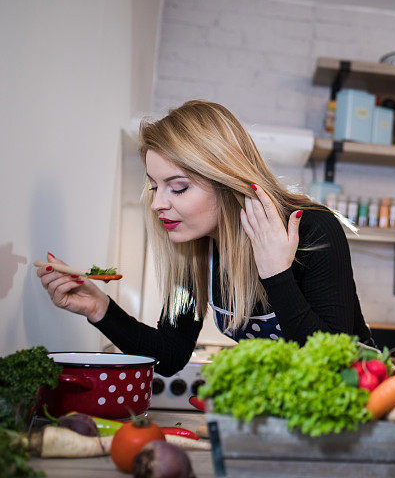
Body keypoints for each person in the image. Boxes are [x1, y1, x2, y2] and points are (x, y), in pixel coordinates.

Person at [37, 100, 373, 376]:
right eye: (155, 187)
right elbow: (170, 354)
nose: (157, 204)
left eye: (178, 188)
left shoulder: (312, 229)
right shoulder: (195, 251)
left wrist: (276, 275)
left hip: (359, 406)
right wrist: (99, 307)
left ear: (226, 180)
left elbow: (336, 361)